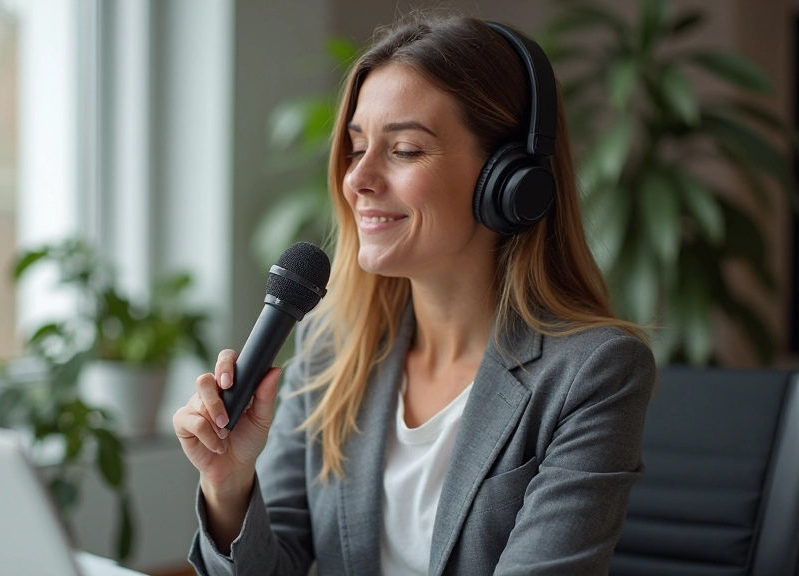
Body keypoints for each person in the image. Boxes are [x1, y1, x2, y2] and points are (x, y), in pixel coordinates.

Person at [173, 13, 656, 576]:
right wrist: (228, 486)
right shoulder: (330, 352)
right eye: (356, 148)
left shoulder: (593, 373)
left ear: (508, 181)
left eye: (403, 150)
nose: (357, 179)